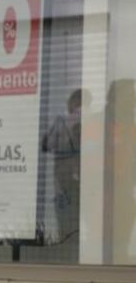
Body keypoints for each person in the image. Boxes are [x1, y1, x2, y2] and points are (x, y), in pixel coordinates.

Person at [42, 89, 85, 244]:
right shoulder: (87, 122)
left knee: (67, 233)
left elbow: (46, 145)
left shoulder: (61, 123)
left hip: (63, 186)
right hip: (76, 185)